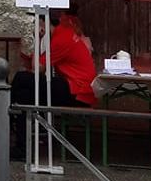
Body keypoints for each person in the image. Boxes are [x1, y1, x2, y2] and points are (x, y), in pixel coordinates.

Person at [10, 11, 95, 158]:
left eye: (35, 22)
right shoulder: (64, 34)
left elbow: (37, 69)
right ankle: (22, 148)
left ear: (43, 23)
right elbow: (40, 70)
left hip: (78, 91)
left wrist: (37, 39)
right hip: (77, 89)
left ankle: (7, 112)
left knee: (21, 77)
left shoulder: (61, 39)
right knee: (24, 96)